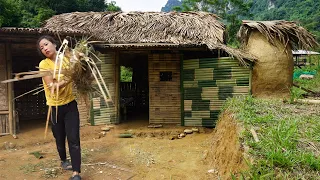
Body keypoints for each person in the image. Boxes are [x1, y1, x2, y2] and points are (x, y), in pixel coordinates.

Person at [37, 35, 81, 180]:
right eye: (41, 48)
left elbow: (78, 64)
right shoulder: (44, 64)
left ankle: (76, 173)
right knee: (59, 138)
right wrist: (69, 78)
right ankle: (63, 160)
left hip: (70, 105)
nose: (44, 48)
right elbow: (52, 87)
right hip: (54, 108)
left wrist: (79, 59)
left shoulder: (66, 58)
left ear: (54, 44)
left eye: (46, 44)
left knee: (73, 138)